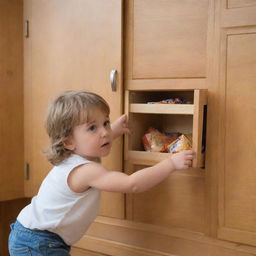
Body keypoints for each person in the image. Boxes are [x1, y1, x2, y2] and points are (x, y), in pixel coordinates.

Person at [8, 90, 194, 255]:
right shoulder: (85, 171)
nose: (105, 132)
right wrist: (170, 164)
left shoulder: (73, 154)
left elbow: (92, 142)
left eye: (105, 122)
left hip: (32, 235)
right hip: (39, 242)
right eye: (92, 127)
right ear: (68, 142)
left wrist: (115, 129)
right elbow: (132, 184)